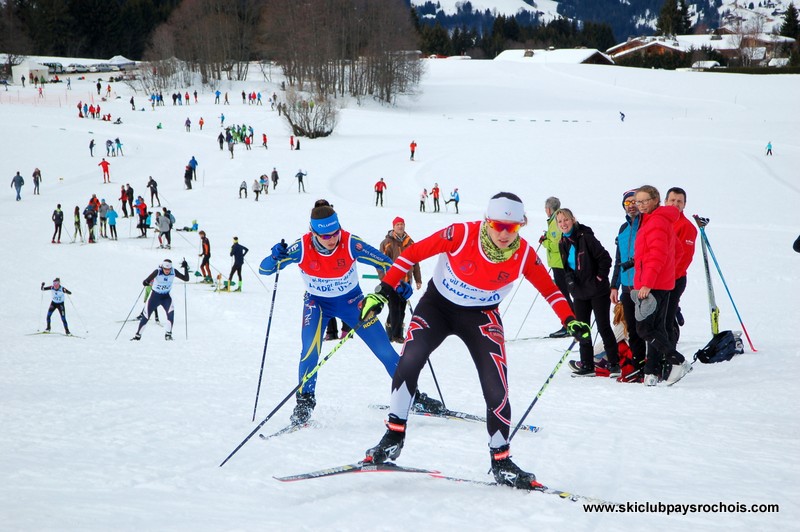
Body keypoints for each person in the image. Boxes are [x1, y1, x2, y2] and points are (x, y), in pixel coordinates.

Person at [361, 192, 588, 489]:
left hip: (481, 316)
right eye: (498, 225)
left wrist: (569, 319)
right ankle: (394, 435)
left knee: (497, 385)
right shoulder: (460, 234)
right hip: (437, 307)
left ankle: (501, 460)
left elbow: (549, 290)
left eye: (512, 227)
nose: (504, 234)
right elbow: (411, 255)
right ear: (487, 221)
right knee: (410, 359)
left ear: (521, 225)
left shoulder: (523, 254)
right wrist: (383, 290)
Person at [259, 204, 441, 424]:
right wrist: (274, 256)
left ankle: (412, 396)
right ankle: (304, 403)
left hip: (352, 303)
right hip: (317, 304)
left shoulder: (350, 242)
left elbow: (384, 262)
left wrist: (398, 282)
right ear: (313, 232)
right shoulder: (302, 248)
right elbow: (264, 270)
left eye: (335, 232)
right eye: (325, 235)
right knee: (309, 351)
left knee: (385, 350)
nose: (332, 239)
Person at [632, 185, 690, 386]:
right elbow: (677, 251)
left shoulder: (656, 221)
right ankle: (655, 369)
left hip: (652, 285)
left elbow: (657, 254)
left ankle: (678, 361)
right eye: (638, 202)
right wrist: (666, 274)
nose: (641, 205)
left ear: (656, 200)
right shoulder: (657, 220)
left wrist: (648, 282)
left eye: (645, 201)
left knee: (644, 328)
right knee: (657, 328)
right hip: (660, 283)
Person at [555, 208, 620, 377]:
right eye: (560, 221)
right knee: (582, 328)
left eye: (566, 220)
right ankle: (587, 365)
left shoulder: (586, 237)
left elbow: (605, 259)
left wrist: (598, 278)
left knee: (603, 326)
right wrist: (569, 280)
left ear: (573, 220)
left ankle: (614, 364)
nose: (563, 224)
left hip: (598, 291)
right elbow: (567, 267)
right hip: (579, 293)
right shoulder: (562, 243)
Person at [610, 189, 647, 379]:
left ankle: (655, 364)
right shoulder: (623, 229)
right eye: (627, 203)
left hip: (644, 285)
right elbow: (619, 259)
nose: (631, 206)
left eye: (634, 202)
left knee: (645, 327)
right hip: (626, 286)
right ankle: (638, 364)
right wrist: (614, 286)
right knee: (632, 328)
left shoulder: (646, 224)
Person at [379, 217, 422, 343]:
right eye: (397, 224)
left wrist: (418, 279)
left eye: (402, 224)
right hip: (392, 282)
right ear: (393, 227)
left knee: (401, 308)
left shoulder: (410, 242)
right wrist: (384, 280)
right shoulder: (386, 242)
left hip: (406, 281)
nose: (400, 226)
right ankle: (396, 335)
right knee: (394, 308)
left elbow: (415, 262)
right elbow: (380, 263)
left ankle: (392, 331)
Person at [664, 187, 696, 348]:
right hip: (657, 279)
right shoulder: (658, 221)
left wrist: (666, 279)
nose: (675, 204)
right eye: (672, 200)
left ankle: (670, 354)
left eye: (679, 201)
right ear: (665, 202)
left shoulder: (686, 226)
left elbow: (684, 258)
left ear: (684, 205)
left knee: (666, 321)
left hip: (673, 280)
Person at [539, 196, 573, 338]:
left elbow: (558, 244)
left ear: (548, 209)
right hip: (558, 263)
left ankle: (569, 324)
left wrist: (545, 242)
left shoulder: (555, 222)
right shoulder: (555, 220)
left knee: (563, 294)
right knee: (565, 293)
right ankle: (572, 322)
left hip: (560, 264)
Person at [131, 259, 190, 341]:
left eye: (169, 269)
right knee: (146, 316)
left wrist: (185, 268)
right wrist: (146, 282)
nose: (167, 271)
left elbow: (186, 279)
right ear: (162, 267)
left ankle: (168, 335)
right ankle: (137, 336)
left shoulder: (174, 271)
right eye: (165, 269)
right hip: (155, 297)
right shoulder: (157, 272)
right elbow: (145, 281)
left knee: (171, 314)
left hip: (166, 297)